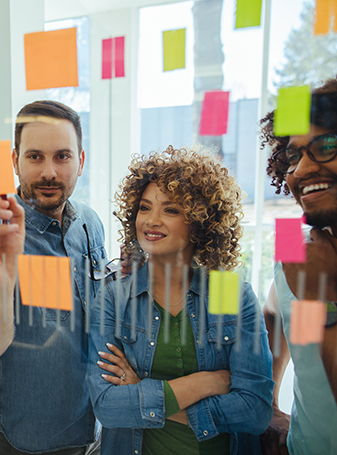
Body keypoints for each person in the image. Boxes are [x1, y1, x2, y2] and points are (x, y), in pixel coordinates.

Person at [86, 146, 274, 455]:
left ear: (199, 222)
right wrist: (201, 385)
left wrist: (140, 392)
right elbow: (107, 407)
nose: (151, 220)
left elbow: (255, 411)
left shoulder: (231, 293)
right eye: (144, 208)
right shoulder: (114, 299)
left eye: (170, 210)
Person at [0, 100, 107, 455]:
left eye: (62, 156)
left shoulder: (90, 222)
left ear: (81, 161)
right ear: (15, 160)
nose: (49, 173)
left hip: (96, 425)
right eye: (35, 157)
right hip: (30, 438)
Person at [260, 78, 337, 455]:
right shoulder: (295, 241)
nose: (303, 168)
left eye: (327, 146)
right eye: (293, 156)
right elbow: (278, 317)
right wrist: (272, 405)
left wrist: (321, 300)